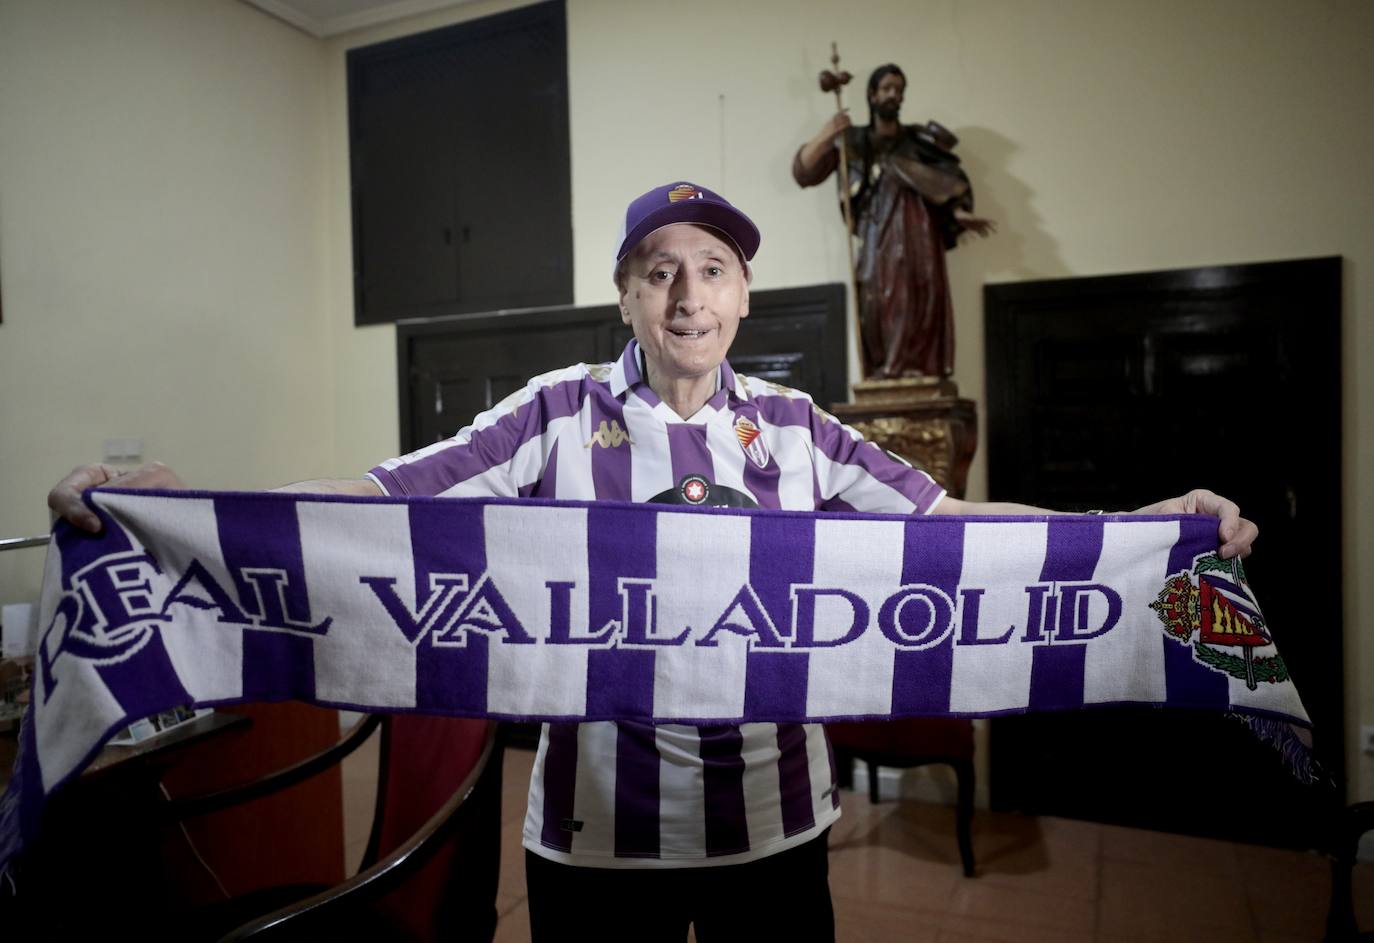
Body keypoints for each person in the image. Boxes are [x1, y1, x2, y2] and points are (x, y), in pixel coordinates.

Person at [48, 180, 1257, 942]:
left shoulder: (799, 428)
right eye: (660, 269)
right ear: (626, 294)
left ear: (742, 299)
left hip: (777, 840)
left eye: (713, 269)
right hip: (592, 847)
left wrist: (1151, 525)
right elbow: (381, 498)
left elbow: (945, 526)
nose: (688, 293)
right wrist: (179, 502)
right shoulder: (555, 412)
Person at [794, 63, 995, 379]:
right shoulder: (854, 141)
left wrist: (958, 212)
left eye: (899, 90)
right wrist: (827, 134)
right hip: (876, 237)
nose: (893, 95)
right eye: (887, 88)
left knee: (919, 299)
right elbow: (803, 173)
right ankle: (885, 370)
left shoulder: (917, 141)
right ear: (872, 95)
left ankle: (918, 370)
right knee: (877, 304)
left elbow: (949, 179)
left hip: (919, 240)